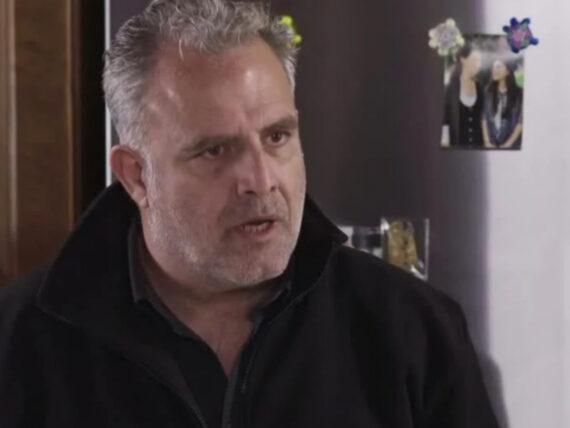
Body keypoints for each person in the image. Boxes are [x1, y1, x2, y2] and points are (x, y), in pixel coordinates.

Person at [0, 1, 500, 427]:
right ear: (136, 176)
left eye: (277, 137)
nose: (261, 180)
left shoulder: (414, 329)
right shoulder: (19, 341)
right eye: (214, 150)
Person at [442, 42, 484, 148]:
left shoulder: (480, 87)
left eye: (480, 61)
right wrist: (445, 143)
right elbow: (445, 119)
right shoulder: (450, 88)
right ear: (463, 60)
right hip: (457, 147)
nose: (478, 64)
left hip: (478, 147)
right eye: (475, 60)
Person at [482, 58, 523, 149]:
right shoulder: (488, 92)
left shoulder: (518, 93)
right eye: (493, 67)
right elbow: (484, 118)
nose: (494, 70)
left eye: (498, 67)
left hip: (512, 145)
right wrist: (487, 142)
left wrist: (508, 145)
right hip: (492, 144)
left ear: (507, 71)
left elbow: (520, 121)